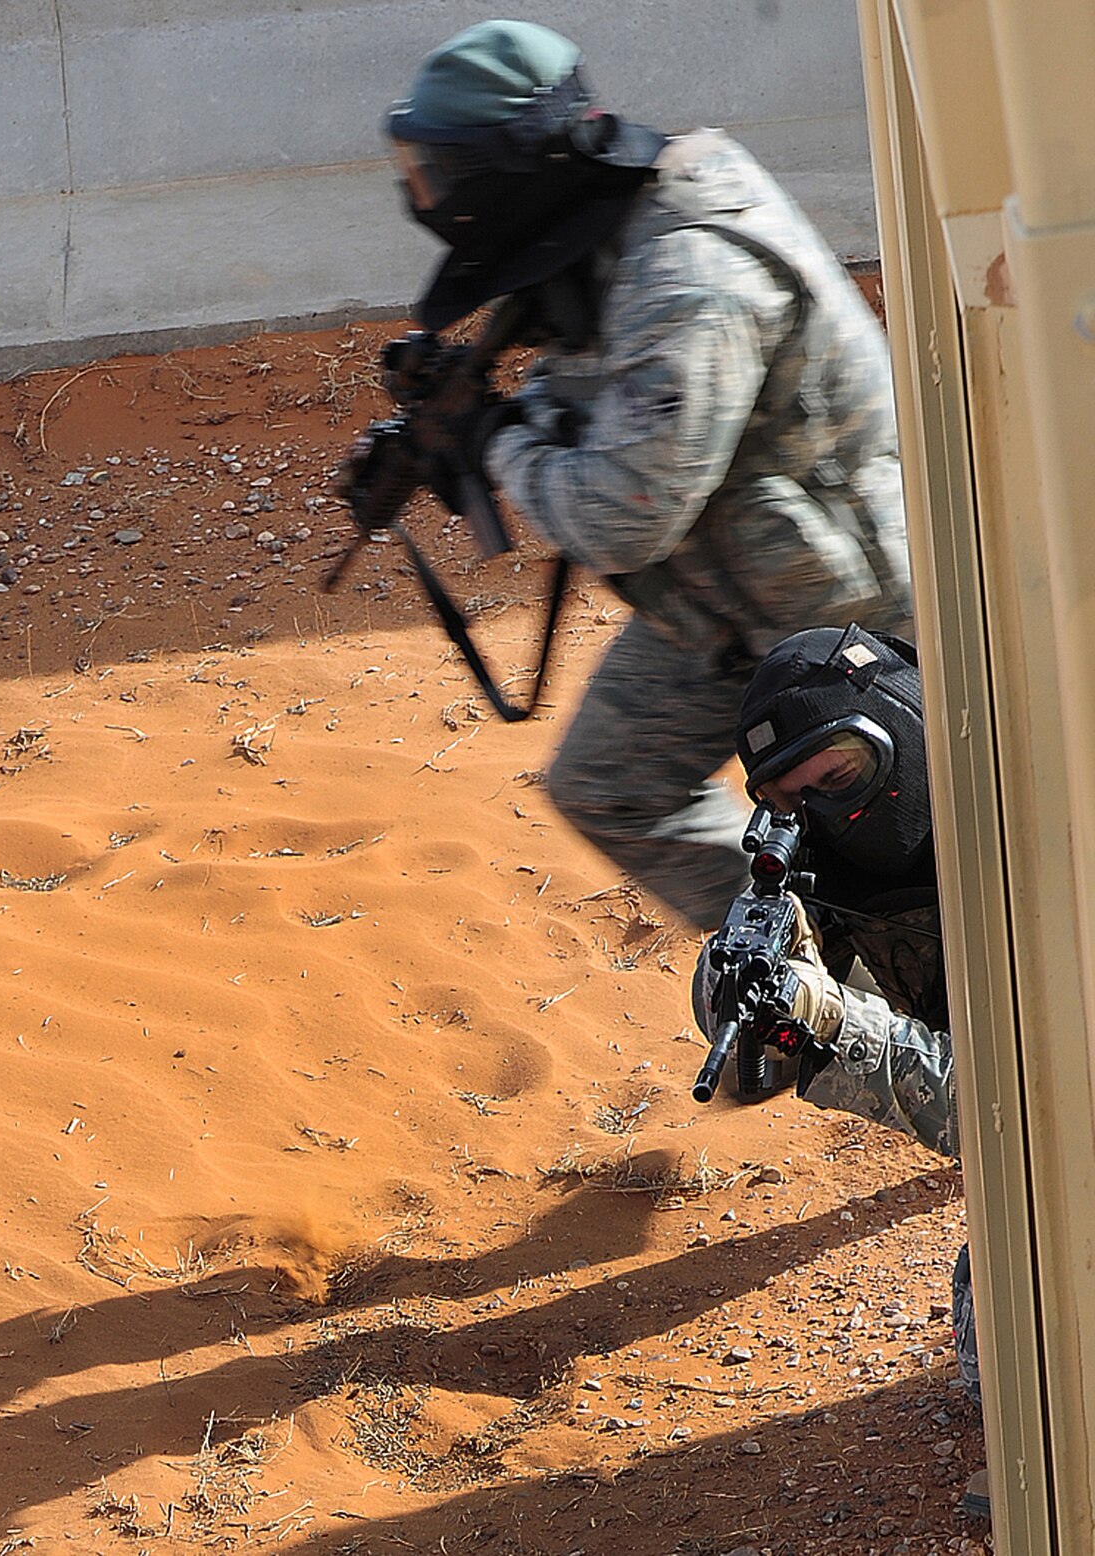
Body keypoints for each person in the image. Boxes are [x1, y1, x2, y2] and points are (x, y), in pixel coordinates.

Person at [375, 19, 914, 931]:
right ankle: (805, 961)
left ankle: (877, 992)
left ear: (502, 175)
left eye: (437, 172)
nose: (419, 194)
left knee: (911, 857)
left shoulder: (692, 274)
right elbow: (604, 393)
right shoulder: (603, 226)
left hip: (865, 626)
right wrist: (507, 414)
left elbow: (623, 516)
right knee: (608, 785)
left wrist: (495, 440)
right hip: (730, 600)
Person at [699, 622, 985, 1517]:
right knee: (1000, 1364)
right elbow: (753, 1074)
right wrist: (739, 994)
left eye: (843, 775)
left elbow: (1035, 1119)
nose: (829, 813)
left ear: (908, 722)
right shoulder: (826, 871)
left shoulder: (1046, 804)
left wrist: (839, 1024)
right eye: (794, 800)